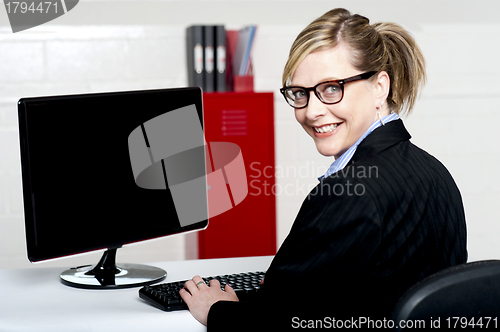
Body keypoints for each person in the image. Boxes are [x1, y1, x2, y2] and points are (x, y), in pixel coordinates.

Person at [180, 8, 467, 330]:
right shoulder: (433, 170)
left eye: (332, 88)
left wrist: (217, 309)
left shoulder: (348, 192)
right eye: (300, 93)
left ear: (379, 87)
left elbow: (272, 324)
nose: (312, 111)